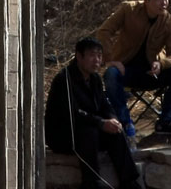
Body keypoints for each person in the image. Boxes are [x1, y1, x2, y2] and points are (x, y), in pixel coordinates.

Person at [45, 36, 140, 189]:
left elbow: (104, 105)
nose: (96, 60)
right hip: (64, 135)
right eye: (91, 55)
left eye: (99, 55)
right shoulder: (64, 79)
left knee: (115, 130)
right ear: (79, 57)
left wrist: (112, 119)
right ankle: (91, 182)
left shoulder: (95, 78)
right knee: (89, 132)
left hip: (91, 129)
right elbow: (72, 113)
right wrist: (100, 123)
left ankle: (128, 180)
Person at [98, 0, 171, 136]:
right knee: (111, 74)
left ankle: (166, 121)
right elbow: (104, 31)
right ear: (146, 0)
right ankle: (125, 124)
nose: (164, 2)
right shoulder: (129, 9)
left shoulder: (169, 22)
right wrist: (110, 59)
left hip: (152, 73)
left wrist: (162, 63)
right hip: (126, 70)